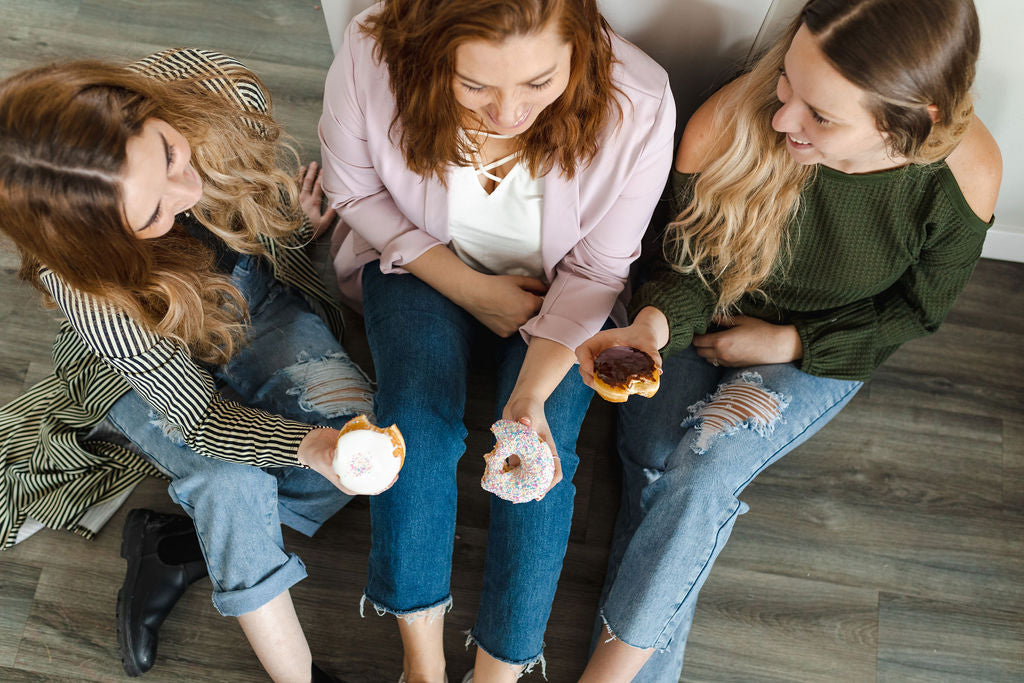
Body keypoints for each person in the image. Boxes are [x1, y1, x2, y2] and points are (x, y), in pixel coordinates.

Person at [573, 0, 1002, 680]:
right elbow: (683, 269)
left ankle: (609, 672)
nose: (780, 120)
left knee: (701, 469)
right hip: (699, 320)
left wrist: (791, 342)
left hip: (820, 347)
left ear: (914, 123)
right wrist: (651, 328)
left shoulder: (964, 174)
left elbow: (913, 313)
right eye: (786, 86)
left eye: (820, 115)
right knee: (654, 459)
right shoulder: (726, 123)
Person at [0, 48, 384, 683]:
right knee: (232, 484)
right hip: (144, 372)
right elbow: (201, 418)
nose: (189, 191)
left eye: (171, 155)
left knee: (348, 445)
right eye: (151, 214)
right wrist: (299, 443)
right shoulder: (95, 296)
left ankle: (175, 546)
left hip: (248, 298)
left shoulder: (216, 88)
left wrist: (285, 232)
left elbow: (244, 202)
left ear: (145, 108)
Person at [318, 0, 675, 680]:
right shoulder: (372, 54)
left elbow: (597, 270)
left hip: (565, 291)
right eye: (475, 85)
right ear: (429, 51)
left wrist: (532, 394)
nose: (510, 114)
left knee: (545, 453)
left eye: (539, 83)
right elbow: (355, 192)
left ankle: (499, 668)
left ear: (582, 43)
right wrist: (472, 290)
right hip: (419, 261)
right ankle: (420, 661)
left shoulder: (642, 100)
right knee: (414, 426)